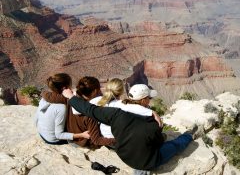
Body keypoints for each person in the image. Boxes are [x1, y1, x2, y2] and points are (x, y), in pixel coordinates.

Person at [62, 84, 201, 172]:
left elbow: (89, 109)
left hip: (125, 156)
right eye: (149, 98)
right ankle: (189, 135)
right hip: (148, 162)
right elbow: (157, 143)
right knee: (175, 145)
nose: (150, 101)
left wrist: (70, 97)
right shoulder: (153, 124)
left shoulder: (115, 113)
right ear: (144, 101)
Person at [93, 78, 161, 139]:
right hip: (114, 139)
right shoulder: (122, 105)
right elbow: (135, 108)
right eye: (149, 98)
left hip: (103, 134)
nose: (150, 99)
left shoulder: (97, 100)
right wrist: (152, 112)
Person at [35, 73, 90, 145]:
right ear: (64, 88)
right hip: (53, 139)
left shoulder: (46, 98)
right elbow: (59, 135)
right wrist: (82, 135)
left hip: (42, 133)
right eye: (70, 84)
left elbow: (36, 118)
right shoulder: (61, 107)